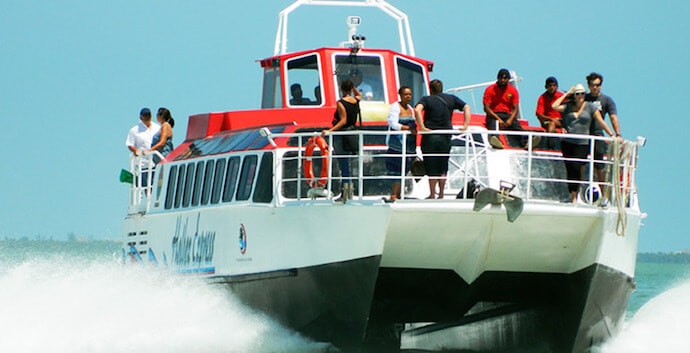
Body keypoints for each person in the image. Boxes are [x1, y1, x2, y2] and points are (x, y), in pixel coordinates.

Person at [551, 84, 620, 203]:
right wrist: (567, 94)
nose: (580, 96)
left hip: (582, 143)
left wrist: (613, 134)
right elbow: (554, 106)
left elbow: (601, 122)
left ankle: (576, 196)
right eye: (577, 93)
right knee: (570, 169)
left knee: (577, 168)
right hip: (568, 142)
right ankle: (572, 197)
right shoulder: (568, 106)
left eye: (582, 93)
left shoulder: (591, 107)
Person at [414, 79, 471, 199]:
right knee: (443, 165)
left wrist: (422, 127)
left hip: (430, 137)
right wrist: (465, 125)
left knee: (431, 165)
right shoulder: (451, 99)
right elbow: (466, 107)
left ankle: (432, 194)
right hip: (445, 137)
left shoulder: (426, 99)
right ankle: (441, 194)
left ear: (430, 89)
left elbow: (417, 109)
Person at [322, 79, 362, 202]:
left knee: (343, 164)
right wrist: (353, 87)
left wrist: (330, 131)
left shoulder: (340, 103)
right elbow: (359, 95)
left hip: (342, 135)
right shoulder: (356, 100)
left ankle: (346, 194)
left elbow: (343, 120)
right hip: (352, 134)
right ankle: (348, 192)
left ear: (341, 89)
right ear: (351, 89)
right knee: (347, 164)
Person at [483, 68, 539, 149]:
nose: (502, 80)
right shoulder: (490, 89)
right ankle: (495, 141)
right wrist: (498, 119)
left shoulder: (513, 90)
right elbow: (486, 108)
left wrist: (510, 120)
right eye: (501, 78)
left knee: (515, 125)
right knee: (493, 124)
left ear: (508, 79)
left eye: (505, 78)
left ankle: (528, 141)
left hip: (507, 115)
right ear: (498, 78)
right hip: (493, 114)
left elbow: (515, 108)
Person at [585, 72, 621, 182]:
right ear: (588, 85)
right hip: (583, 135)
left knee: (599, 166)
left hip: (597, 135)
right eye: (592, 85)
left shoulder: (607, 100)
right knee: (579, 164)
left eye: (597, 85)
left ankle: (603, 192)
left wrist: (617, 134)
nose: (594, 87)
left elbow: (613, 117)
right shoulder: (582, 98)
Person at [385, 86, 417, 202]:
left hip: (408, 145)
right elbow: (392, 123)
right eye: (406, 94)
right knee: (396, 169)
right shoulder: (395, 107)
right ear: (400, 95)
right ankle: (394, 194)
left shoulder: (410, 109)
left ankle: (398, 194)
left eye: (410, 94)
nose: (408, 96)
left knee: (405, 169)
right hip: (397, 144)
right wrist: (407, 128)